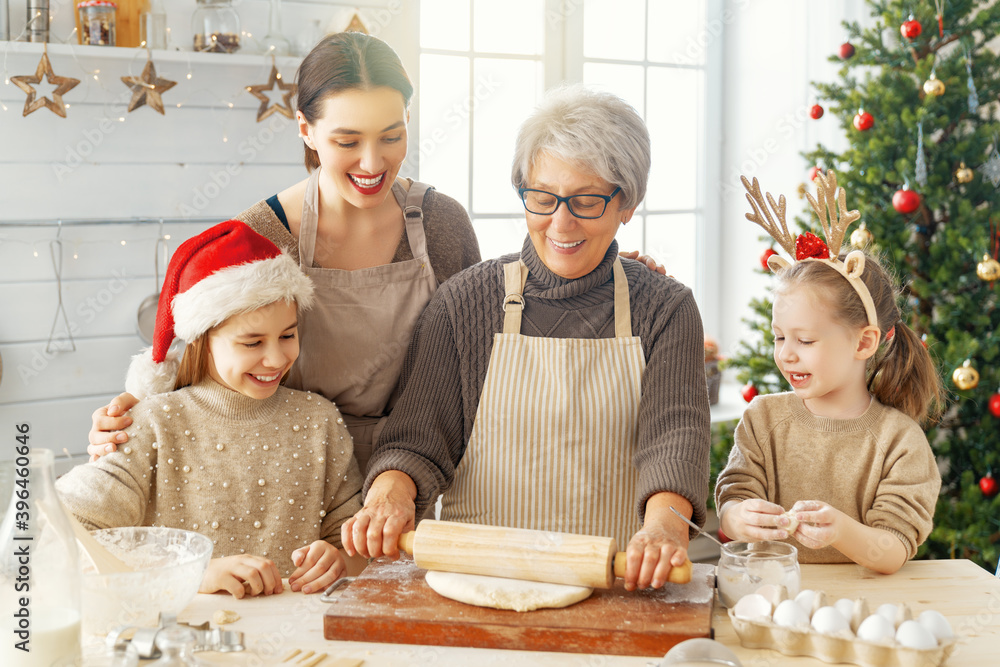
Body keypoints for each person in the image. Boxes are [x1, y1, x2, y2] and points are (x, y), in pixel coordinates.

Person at [86, 32, 666, 474]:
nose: (372, 163)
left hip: (422, 470)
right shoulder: (264, 236)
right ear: (306, 130)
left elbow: (496, 328)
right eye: (347, 141)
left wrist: (602, 270)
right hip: (291, 473)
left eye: (392, 135)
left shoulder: (439, 224)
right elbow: (202, 374)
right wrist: (130, 413)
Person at [341, 85, 711, 592]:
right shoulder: (465, 302)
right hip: (476, 583)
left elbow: (673, 441)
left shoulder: (666, 309)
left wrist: (665, 530)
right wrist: (390, 496)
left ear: (627, 203)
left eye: (586, 201)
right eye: (543, 197)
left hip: (616, 582)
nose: (561, 223)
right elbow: (418, 440)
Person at [57, 221, 363, 598]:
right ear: (204, 342)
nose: (276, 358)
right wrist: (190, 572)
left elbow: (353, 543)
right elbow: (64, 532)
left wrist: (337, 558)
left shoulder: (320, 421)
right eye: (251, 343)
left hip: (299, 642)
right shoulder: (152, 425)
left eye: (287, 335)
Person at [715, 173, 943, 574]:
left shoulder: (899, 442)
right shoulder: (762, 419)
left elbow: (893, 550)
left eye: (805, 341)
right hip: (771, 598)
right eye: (779, 337)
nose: (786, 355)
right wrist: (736, 517)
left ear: (863, 343)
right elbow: (733, 499)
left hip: (860, 608)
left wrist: (840, 529)